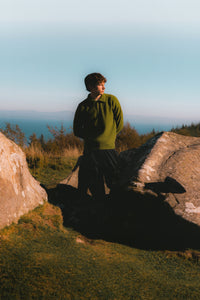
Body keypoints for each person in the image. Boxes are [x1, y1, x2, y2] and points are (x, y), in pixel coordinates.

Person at [73, 73, 123, 200]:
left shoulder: (112, 100)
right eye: (101, 85)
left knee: (115, 182)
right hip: (91, 151)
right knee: (96, 185)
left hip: (108, 149)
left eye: (104, 85)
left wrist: (107, 138)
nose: (104, 88)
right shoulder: (83, 106)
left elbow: (120, 124)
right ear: (91, 87)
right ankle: (99, 211)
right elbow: (77, 130)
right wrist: (92, 139)